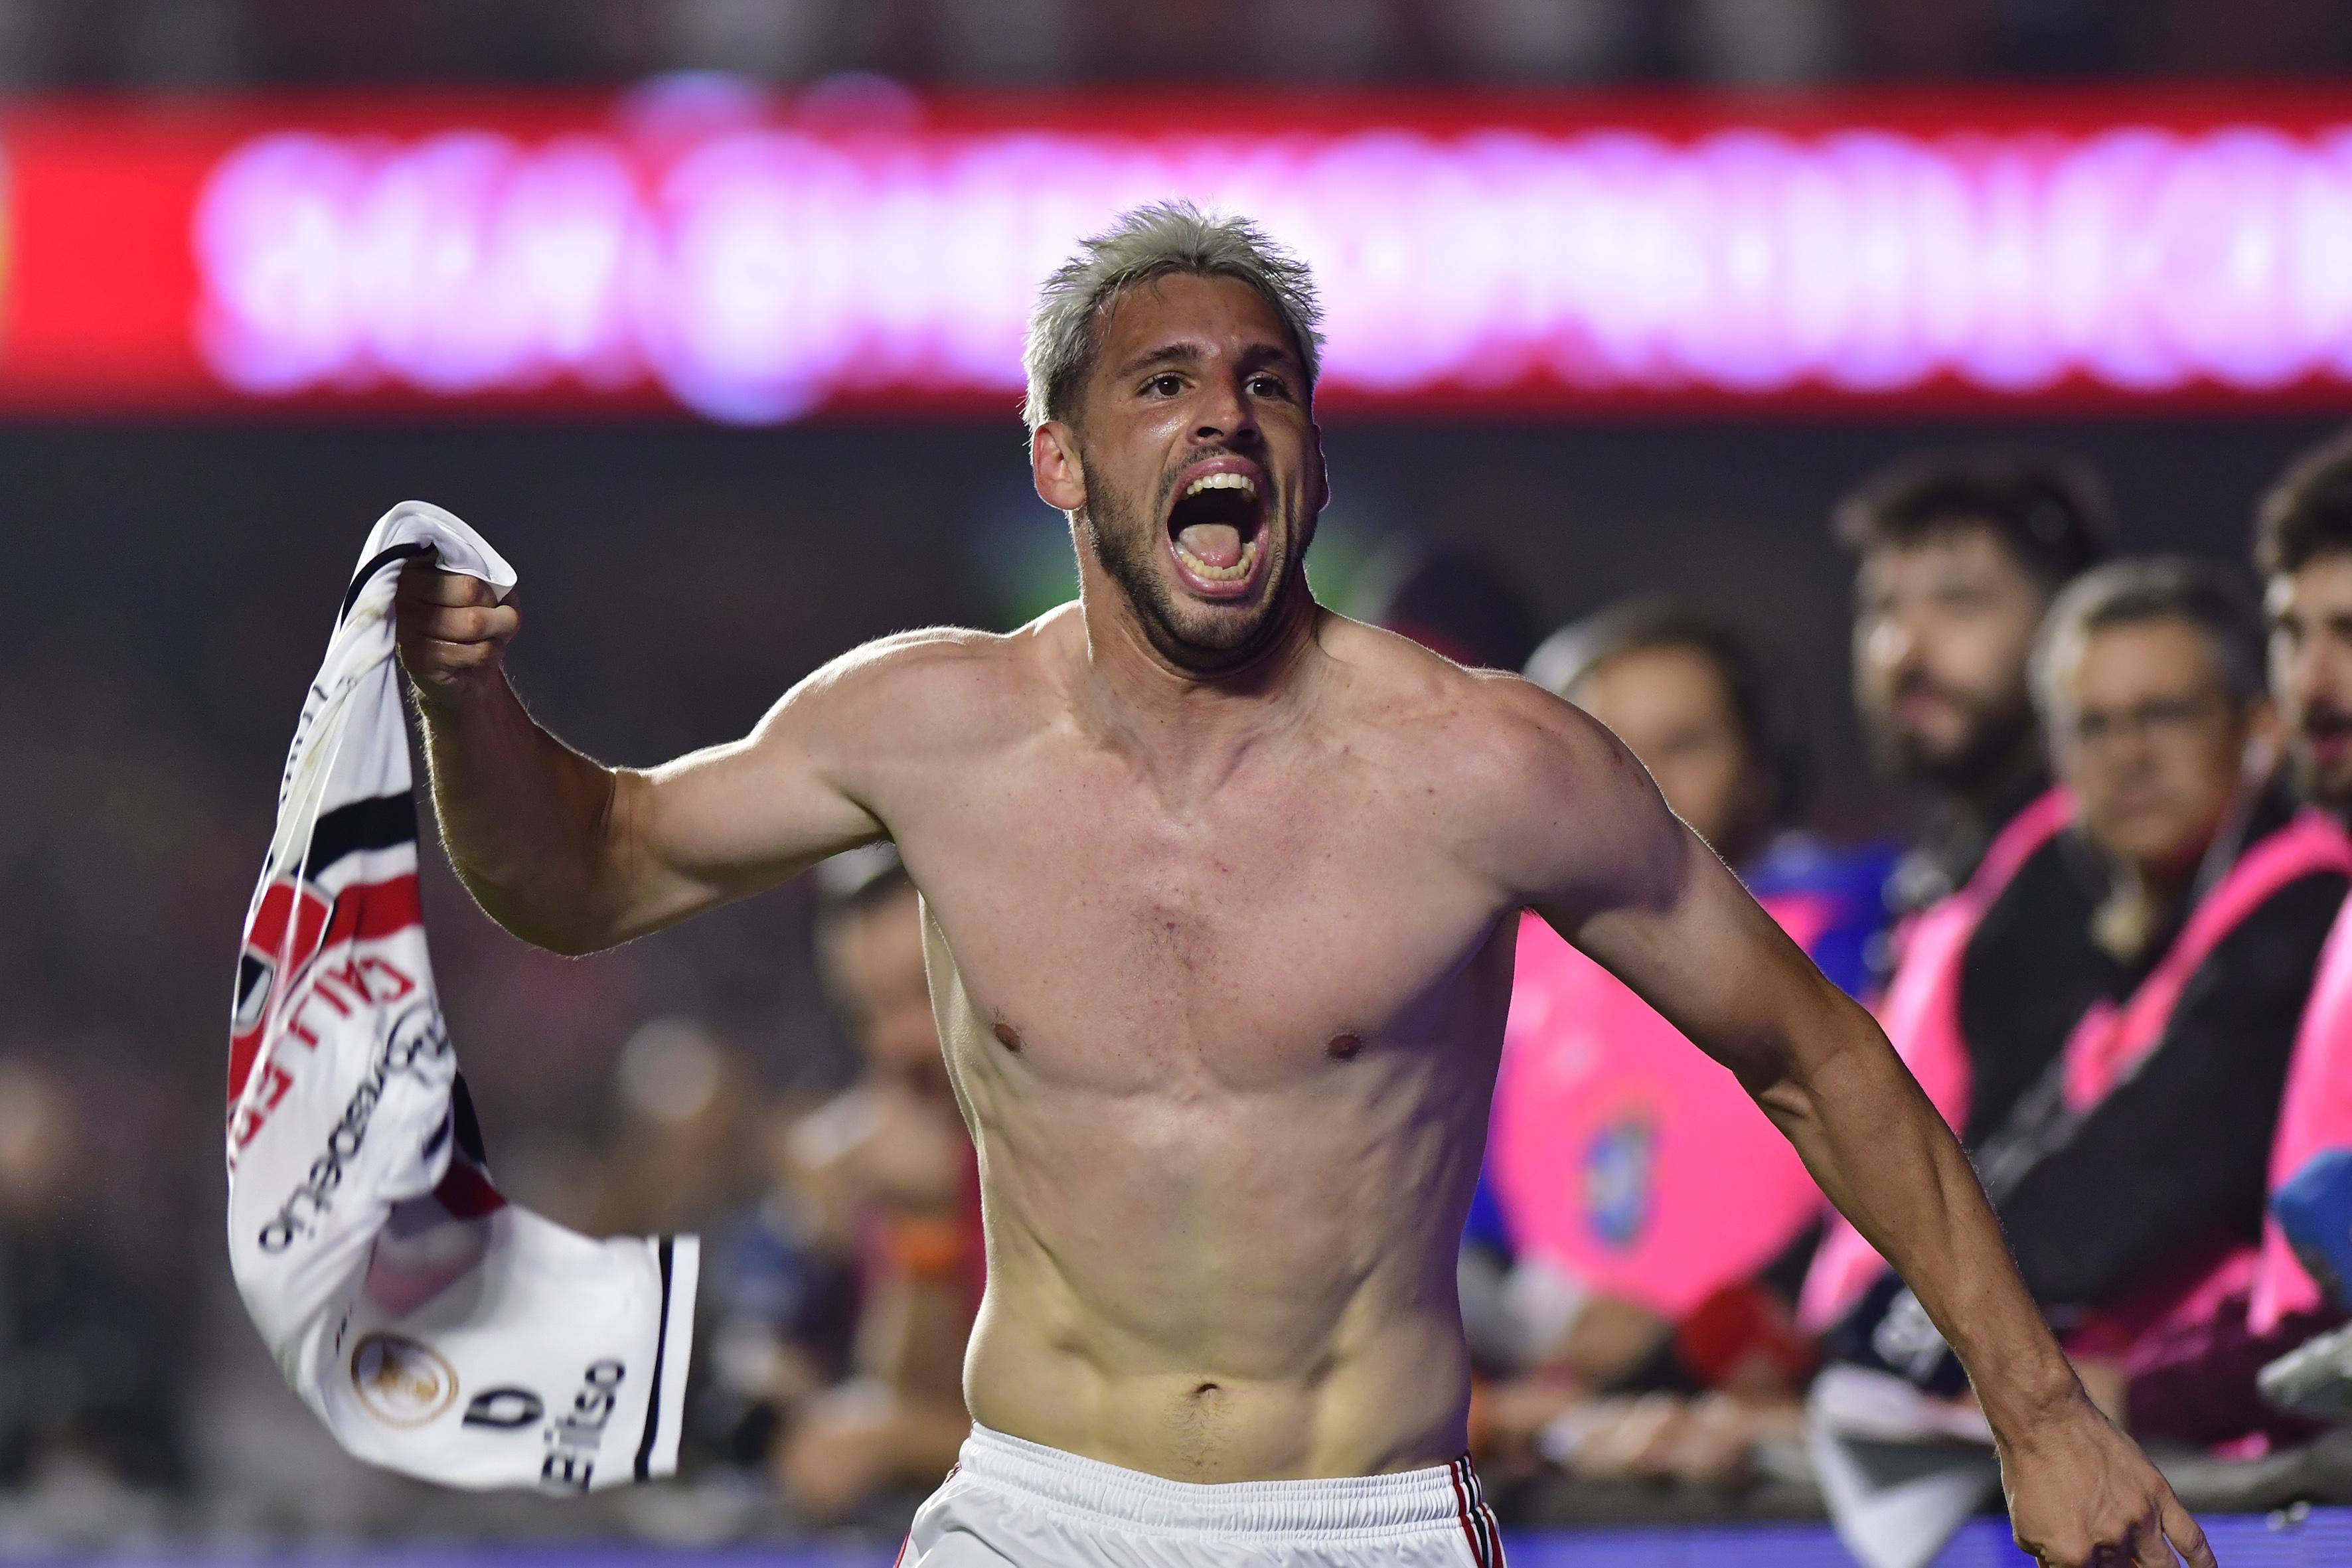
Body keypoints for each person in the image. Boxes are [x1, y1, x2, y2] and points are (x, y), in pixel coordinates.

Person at [394, 202, 2203, 1568]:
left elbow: (1813, 1051)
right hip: (1033, 1509)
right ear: (1059, 458)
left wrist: (2033, 1410)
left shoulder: (1487, 767)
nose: (1223, 421)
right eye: (1160, 385)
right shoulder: (924, 727)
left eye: (1266, 386)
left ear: (1313, 460)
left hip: (1365, 1521)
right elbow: (589, 872)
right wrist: (469, 707)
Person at [1811, 560, 2349, 1449]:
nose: (2126, 755)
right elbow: (2024, 1157)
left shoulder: (2300, 906)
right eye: (2089, 726)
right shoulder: (2147, 945)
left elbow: (2130, 1169)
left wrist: (1893, 1344)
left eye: (2163, 715)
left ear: (2256, 726)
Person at [1474, 605, 1887, 1482]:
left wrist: (1698, 1340)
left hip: (1775, 1436)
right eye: (1604, 745)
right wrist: (1542, 1332)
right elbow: (1445, 1233)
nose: (1639, 780)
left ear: (1759, 770)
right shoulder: (1488, 973)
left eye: (1685, 742)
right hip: (1552, 1437)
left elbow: (1896, 1191)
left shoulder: (1861, 935)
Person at [773, 845, 981, 1522]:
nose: (894, 1045)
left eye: (917, 997)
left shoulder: (1088, 1149)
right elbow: (915, 1399)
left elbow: (1124, 1450)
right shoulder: (899, 1143)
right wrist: (920, 1225)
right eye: (866, 1013)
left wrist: (895, 1438)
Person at [1840, 451, 2108, 917]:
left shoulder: (2104, 870)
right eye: (1883, 608)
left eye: (1958, 602)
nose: (1903, 650)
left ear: (2061, 627)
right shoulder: (1939, 864)